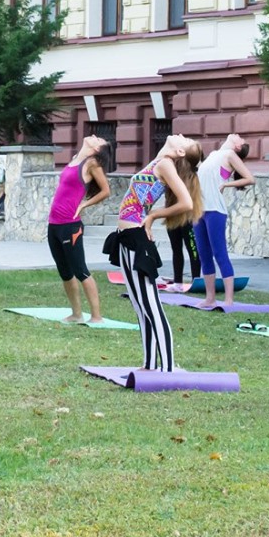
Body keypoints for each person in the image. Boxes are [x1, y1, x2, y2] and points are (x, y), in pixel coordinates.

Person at [103, 135, 204, 372]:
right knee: (140, 305)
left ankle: (167, 368)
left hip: (137, 238)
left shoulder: (165, 164)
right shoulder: (161, 161)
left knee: (151, 305)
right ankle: (149, 364)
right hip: (126, 237)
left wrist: (153, 216)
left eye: (185, 139)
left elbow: (187, 203)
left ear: (180, 152)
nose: (180, 135)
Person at [45, 135, 112, 323]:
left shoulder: (91, 163)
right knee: (65, 272)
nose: (94, 136)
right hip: (54, 224)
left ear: (97, 150)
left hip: (70, 225)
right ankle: (76, 314)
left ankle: (96, 316)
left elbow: (106, 191)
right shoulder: (76, 159)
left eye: (98, 139)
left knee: (80, 270)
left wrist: (83, 205)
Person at [193, 134, 256, 307]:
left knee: (220, 254)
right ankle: (210, 297)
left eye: (241, 139)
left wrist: (226, 185)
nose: (238, 136)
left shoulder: (230, 155)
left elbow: (250, 179)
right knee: (204, 255)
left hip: (215, 211)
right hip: (199, 210)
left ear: (237, 147)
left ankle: (229, 300)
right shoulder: (214, 154)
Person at [163, 212, 199, 292]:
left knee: (193, 250)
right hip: (172, 216)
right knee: (176, 249)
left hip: (188, 216)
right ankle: (177, 282)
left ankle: (195, 281)